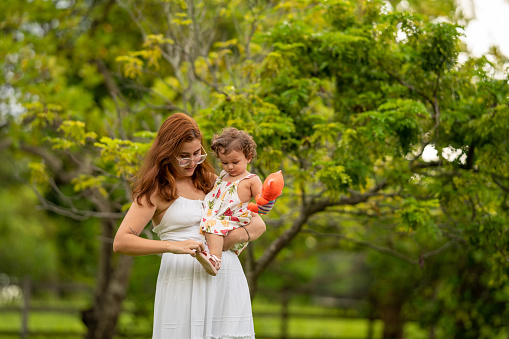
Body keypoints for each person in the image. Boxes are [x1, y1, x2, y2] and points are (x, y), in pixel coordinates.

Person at [113, 113, 266, 339]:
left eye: (197, 154)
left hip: (225, 274)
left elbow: (258, 224)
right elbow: (122, 241)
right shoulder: (156, 191)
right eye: (184, 156)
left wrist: (226, 240)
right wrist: (172, 246)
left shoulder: (213, 182)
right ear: (167, 154)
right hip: (182, 276)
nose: (193, 162)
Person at [195, 127, 263, 276]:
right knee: (209, 225)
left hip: (235, 218)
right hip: (219, 216)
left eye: (235, 162)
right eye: (225, 163)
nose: (230, 167)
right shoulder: (223, 175)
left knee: (213, 225)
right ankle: (211, 253)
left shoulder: (251, 179)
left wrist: (269, 197)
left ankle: (215, 260)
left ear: (248, 157)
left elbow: (262, 201)